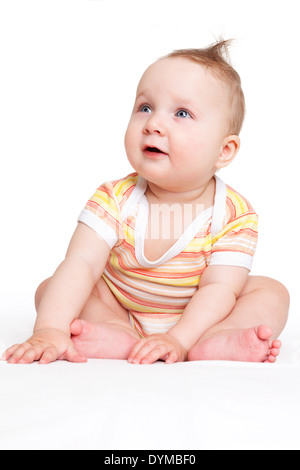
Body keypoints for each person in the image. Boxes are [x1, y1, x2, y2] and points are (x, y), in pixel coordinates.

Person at [2, 39, 289, 365]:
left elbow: (219, 289)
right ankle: (114, 332)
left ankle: (213, 340)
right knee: (53, 287)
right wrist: (50, 328)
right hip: (122, 308)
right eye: (145, 108)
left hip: (202, 319)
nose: (154, 124)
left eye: (182, 113)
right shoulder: (114, 198)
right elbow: (81, 262)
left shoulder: (234, 214)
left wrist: (178, 339)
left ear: (224, 151)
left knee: (270, 292)